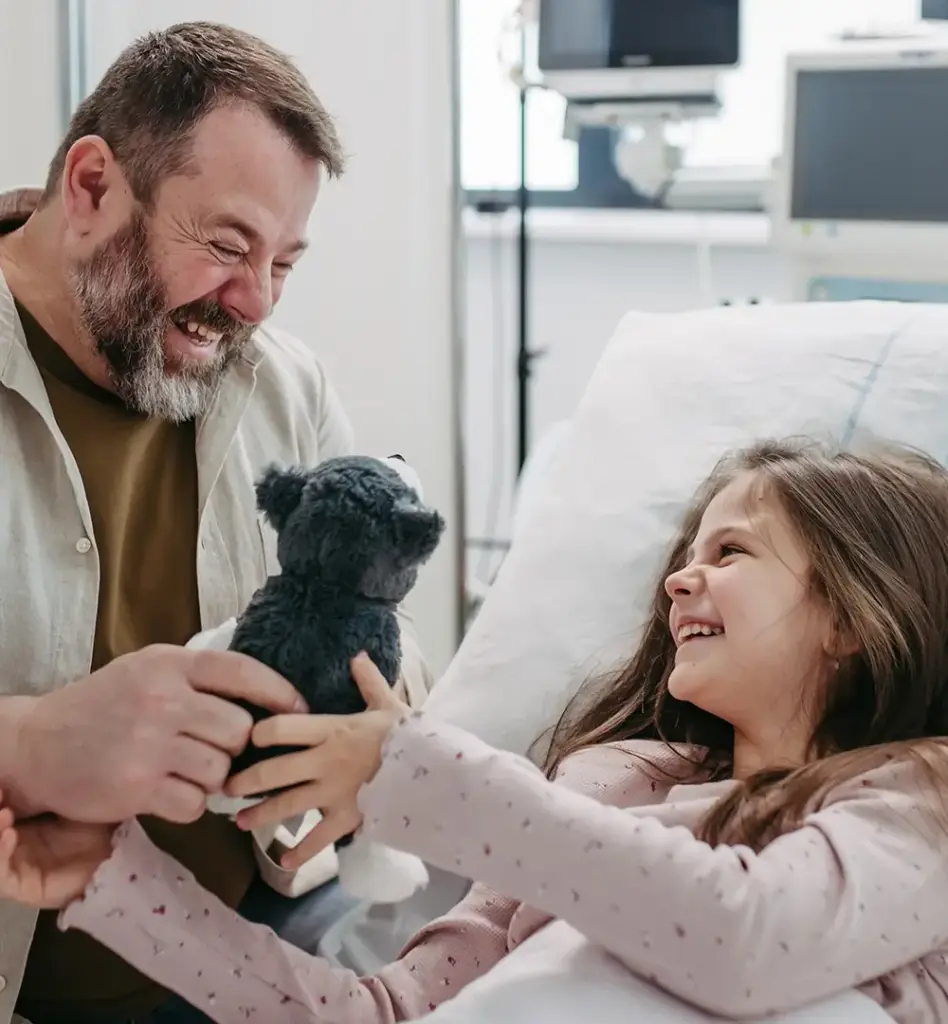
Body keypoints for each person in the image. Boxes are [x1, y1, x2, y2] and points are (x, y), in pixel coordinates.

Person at [2, 438, 948, 1023]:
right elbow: (386, 1012)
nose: (677, 581)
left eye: (730, 551)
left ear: (855, 616)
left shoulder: (915, 798)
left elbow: (748, 940)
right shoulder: (613, 783)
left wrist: (412, 774)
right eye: (684, 555)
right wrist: (110, 875)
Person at [0, 20, 432, 1024]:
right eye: (228, 247)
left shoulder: (288, 385)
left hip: (254, 958)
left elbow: (382, 621)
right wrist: (30, 742)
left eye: (285, 261)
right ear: (93, 186)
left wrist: (378, 733)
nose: (254, 303)